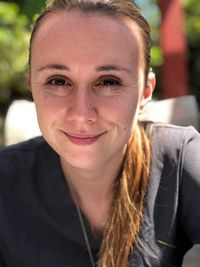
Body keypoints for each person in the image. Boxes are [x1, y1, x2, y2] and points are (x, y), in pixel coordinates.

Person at [0, 0, 200, 266]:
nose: (81, 114)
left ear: (145, 92)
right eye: (58, 81)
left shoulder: (182, 158)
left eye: (108, 81)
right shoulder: (6, 180)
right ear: (33, 89)